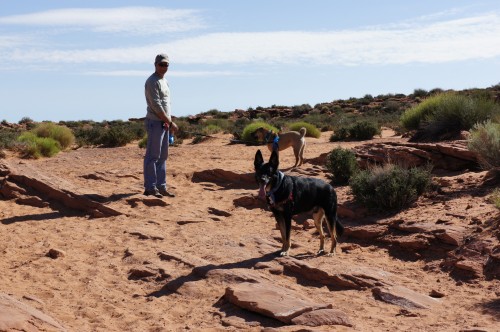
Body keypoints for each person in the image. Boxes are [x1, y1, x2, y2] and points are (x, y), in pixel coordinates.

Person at [143, 53, 178, 198]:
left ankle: (161, 186)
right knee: (153, 155)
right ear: (155, 64)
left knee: (163, 156)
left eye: (166, 65)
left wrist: (169, 122)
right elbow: (156, 106)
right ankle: (150, 187)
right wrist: (169, 122)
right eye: (161, 64)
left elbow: (166, 104)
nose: (164, 67)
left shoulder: (165, 81)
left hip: (164, 123)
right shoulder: (152, 81)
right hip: (155, 122)